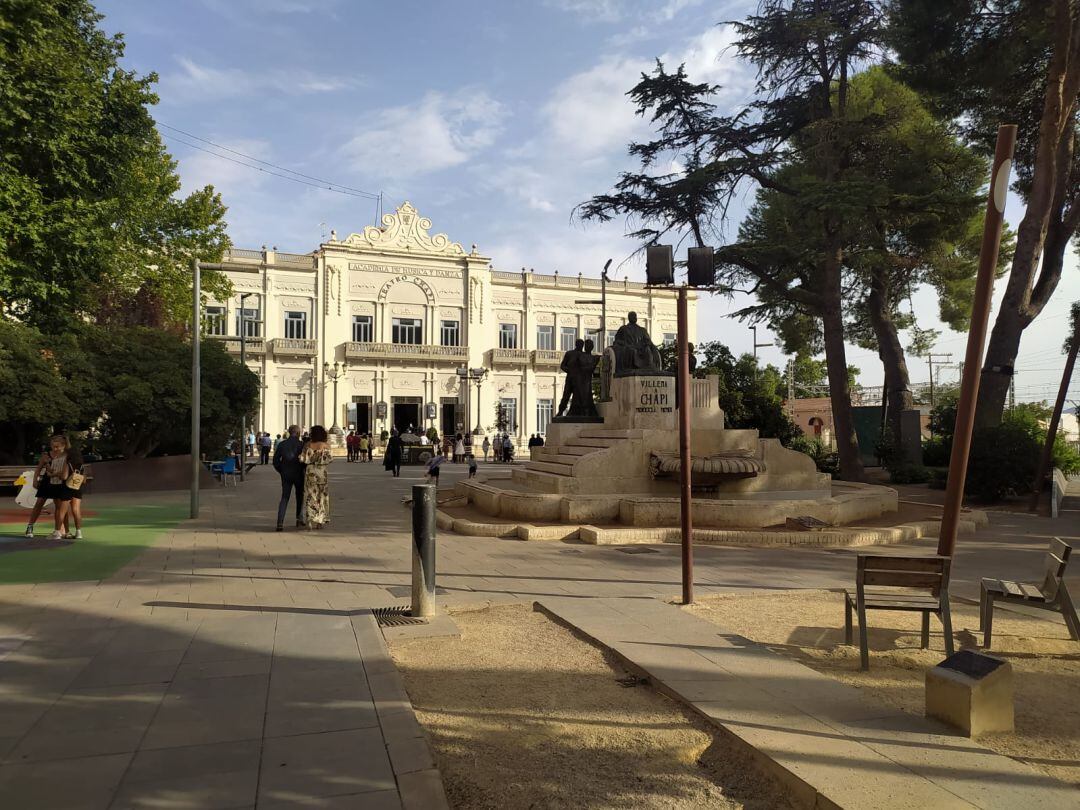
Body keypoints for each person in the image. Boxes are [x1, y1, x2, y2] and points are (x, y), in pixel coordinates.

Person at [24, 435, 73, 540]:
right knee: (39, 503)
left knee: (60, 506)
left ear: (63, 446)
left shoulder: (66, 456)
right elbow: (38, 469)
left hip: (60, 482)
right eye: (52, 446)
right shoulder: (47, 455)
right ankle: (30, 526)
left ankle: (59, 529)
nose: (54, 449)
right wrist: (35, 480)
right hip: (47, 481)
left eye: (57, 446)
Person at [299, 425, 333, 530]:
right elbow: (330, 459)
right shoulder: (326, 446)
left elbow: (302, 459)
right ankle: (320, 521)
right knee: (322, 496)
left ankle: (310, 519)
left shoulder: (308, 445)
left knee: (311, 496)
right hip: (322, 472)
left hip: (310, 472)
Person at [273, 425, 306, 531]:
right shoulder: (302, 445)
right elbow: (305, 461)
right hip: (299, 474)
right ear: (298, 433)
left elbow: (275, 460)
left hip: (286, 474)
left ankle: (280, 522)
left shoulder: (282, 444)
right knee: (299, 496)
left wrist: (281, 470)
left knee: (285, 497)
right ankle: (299, 518)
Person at [61, 444, 87, 540]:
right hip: (77, 489)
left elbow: (64, 477)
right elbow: (84, 480)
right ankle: (79, 532)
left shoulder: (68, 464)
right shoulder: (81, 466)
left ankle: (63, 531)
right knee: (76, 510)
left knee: (63, 511)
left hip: (67, 488)